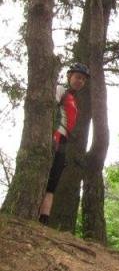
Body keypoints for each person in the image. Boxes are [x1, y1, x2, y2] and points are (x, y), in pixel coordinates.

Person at [39, 63, 90, 225]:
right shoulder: (60, 90)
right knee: (44, 176)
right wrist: (51, 136)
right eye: (77, 77)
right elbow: (50, 110)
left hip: (64, 141)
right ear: (69, 76)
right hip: (55, 137)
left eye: (83, 79)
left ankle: (43, 220)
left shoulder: (73, 99)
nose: (80, 81)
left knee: (53, 182)